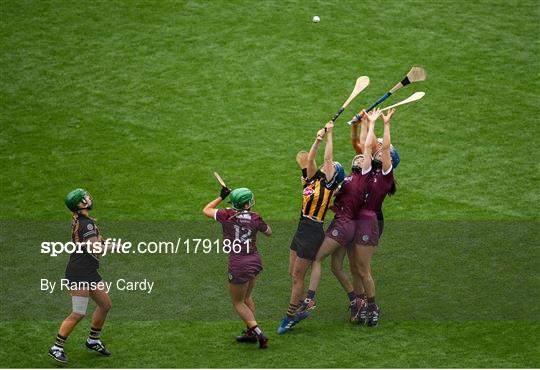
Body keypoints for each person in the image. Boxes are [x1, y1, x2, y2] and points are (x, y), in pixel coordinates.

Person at [298, 109, 381, 325]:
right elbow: (362, 146)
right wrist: (362, 123)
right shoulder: (353, 182)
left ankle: (311, 298)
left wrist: (331, 134)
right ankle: (357, 302)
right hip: (352, 225)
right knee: (338, 267)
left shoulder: (356, 179)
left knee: (318, 258)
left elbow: (336, 157)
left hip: (343, 225)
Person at [278, 122, 345, 335]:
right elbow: (312, 159)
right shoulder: (311, 179)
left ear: (334, 175)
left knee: (298, 276)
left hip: (313, 231)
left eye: (332, 167)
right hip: (301, 228)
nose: (328, 165)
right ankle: (300, 306)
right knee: (293, 273)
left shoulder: (329, 185)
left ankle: (289, 317)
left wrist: (330, 135)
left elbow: (325, 159)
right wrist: (317, 140)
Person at [48, 189, 117, 364]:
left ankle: (93, 340)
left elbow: (94, 243)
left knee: (105, 304)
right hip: (79, 273)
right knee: (78, 312)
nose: (89, 198)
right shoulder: (86, 224)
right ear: (80, 204)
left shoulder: (82, 221)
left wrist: (104, 242)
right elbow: (96, 248)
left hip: (88, 271)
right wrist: (114, 247)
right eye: (85, 197)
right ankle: (57, 347)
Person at [203, 186, 272, 349]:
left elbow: (206, 210)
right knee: (247, 297)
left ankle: (258, 333)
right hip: (254, 260)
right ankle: (251, 332)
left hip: (238, 263)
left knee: (238, 302)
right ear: (247, 205)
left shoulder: (225, 215)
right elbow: (269, 232)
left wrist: (221, 197)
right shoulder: (255, 217)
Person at [352, 108, 398, 326]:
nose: (378, 149)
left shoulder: (386, 176)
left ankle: (372, 306)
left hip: (368, 222)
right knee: (355, 267)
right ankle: (360, 305)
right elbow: (365, 144)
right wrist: (369, 124)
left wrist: (386, 124)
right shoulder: (367, 169)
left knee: (363, 268)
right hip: (355, 219)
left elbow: (385, 147)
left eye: (382, 152)